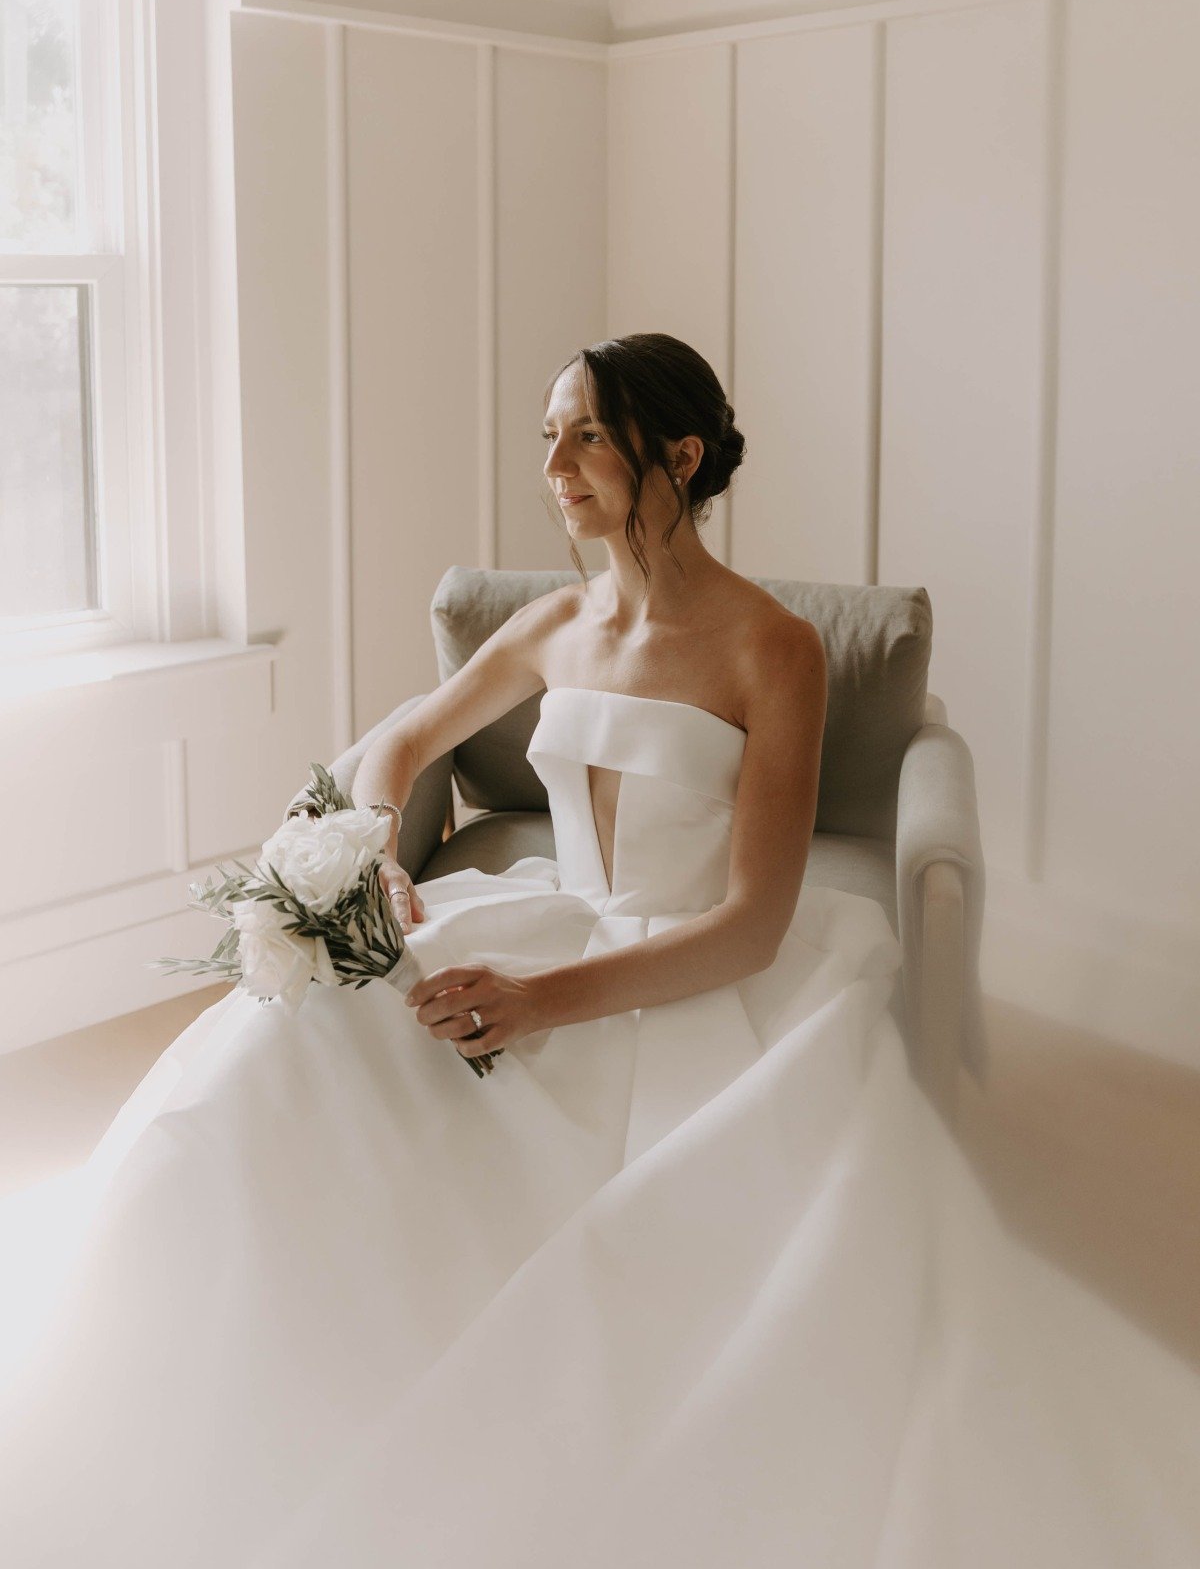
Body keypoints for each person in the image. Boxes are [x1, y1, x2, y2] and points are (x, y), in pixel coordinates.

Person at [1, 333, 1198, 1568]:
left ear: (677, 455)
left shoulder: (772, 648)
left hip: (689, 970)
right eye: (547, 435)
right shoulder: (553, 621)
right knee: (290, 1047)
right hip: (545, 915)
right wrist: (385, 854)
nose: (554, 464)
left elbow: (753, 925)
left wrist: (539, 1002)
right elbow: (400, 744)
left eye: (584, 435)